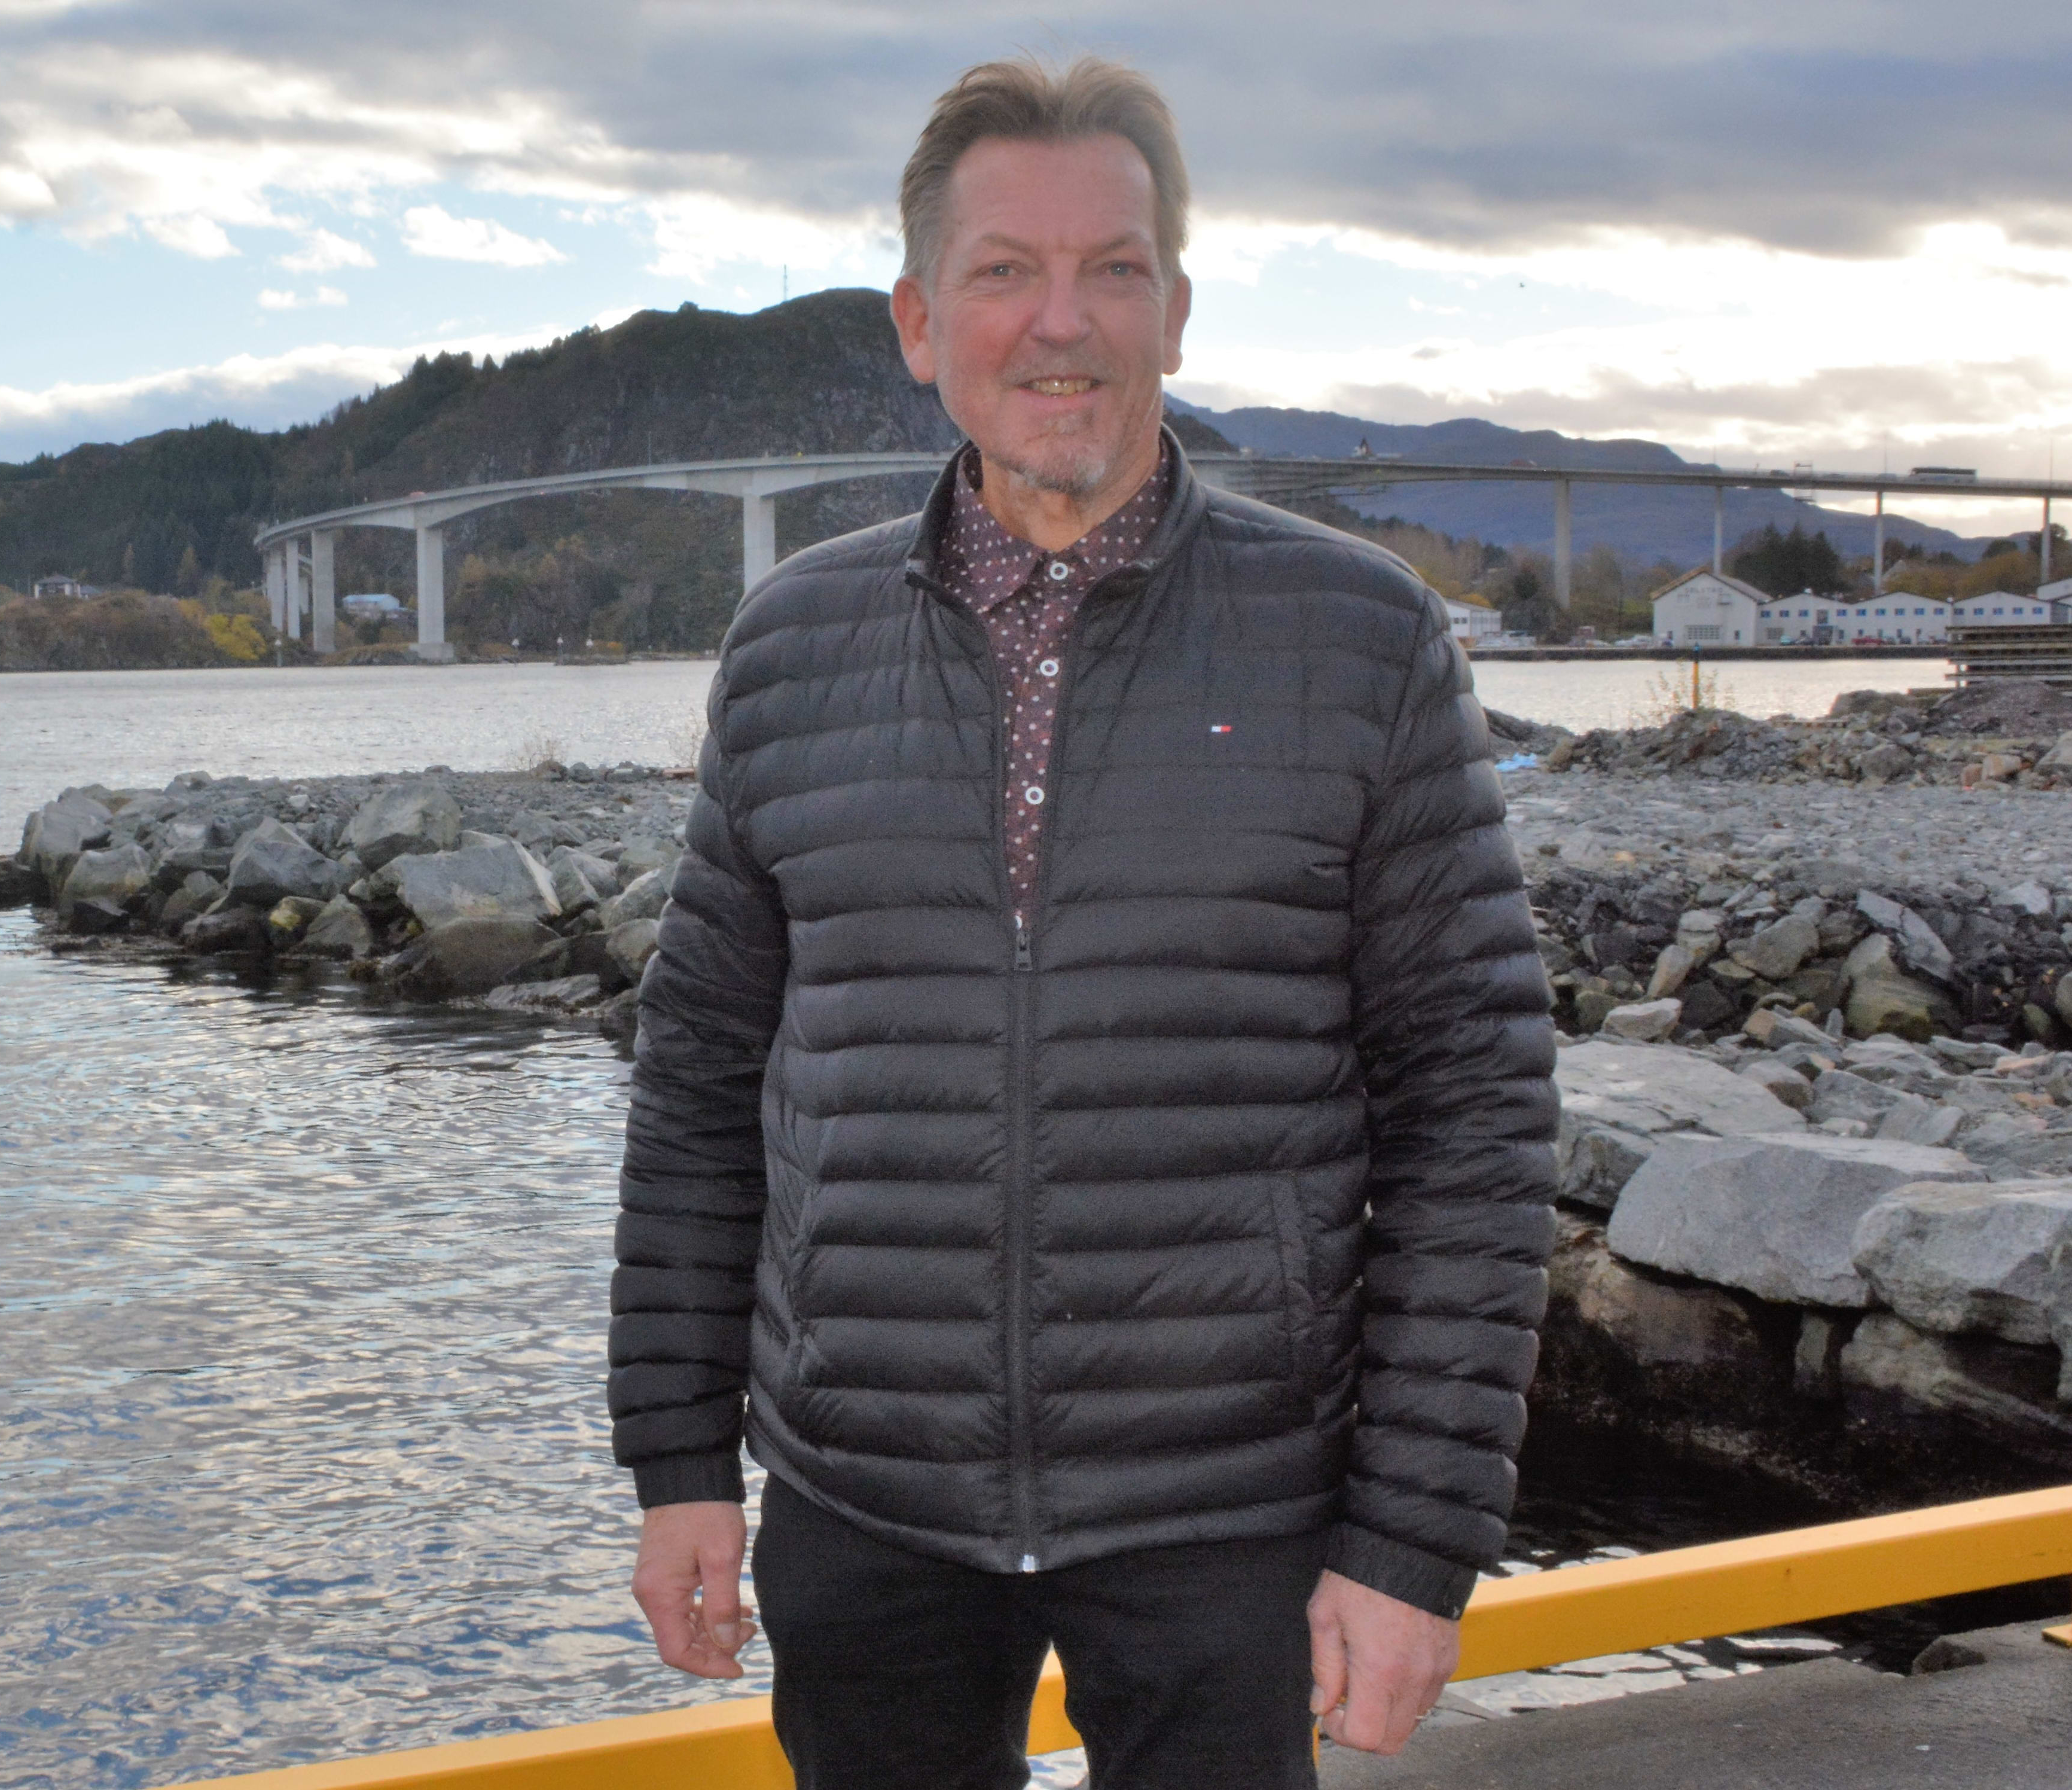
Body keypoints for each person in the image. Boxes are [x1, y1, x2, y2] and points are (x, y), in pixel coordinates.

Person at [609, 54, 1559, 1790]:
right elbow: (698, 1086)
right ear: (919, 324)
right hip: (865, 1500)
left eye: (1113, 268)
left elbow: (1472, 1110)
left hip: (1229, 1512)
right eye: (1005, 272)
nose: (1064, 322)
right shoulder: (792, 646)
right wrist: (679, 1463)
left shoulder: (1359, 640)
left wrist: (1414, 1540)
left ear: (1175, 311)